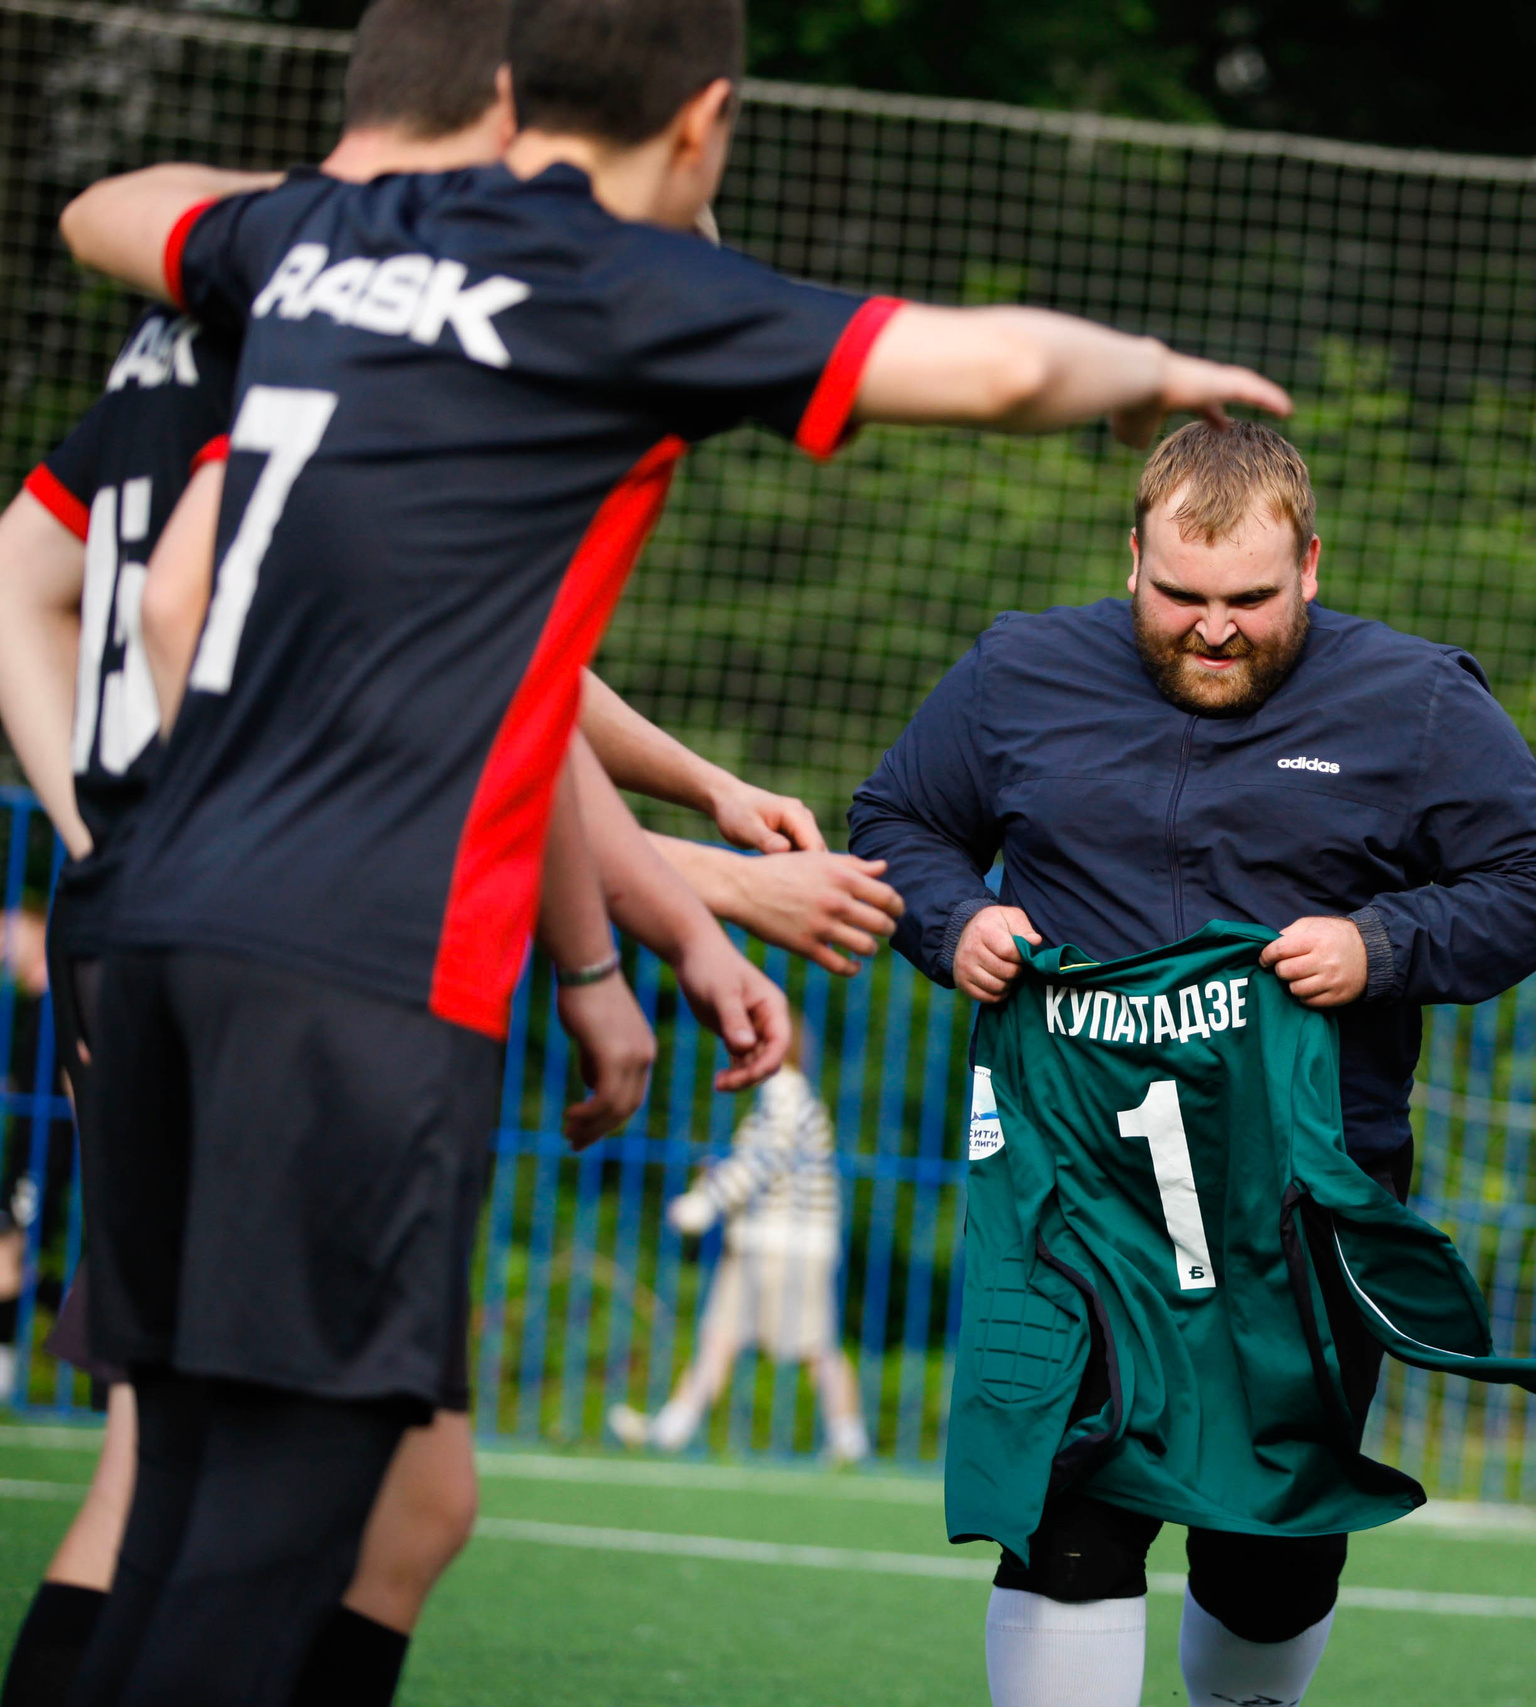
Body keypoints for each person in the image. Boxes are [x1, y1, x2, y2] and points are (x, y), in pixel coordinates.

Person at [50, 0, 1289, 1694]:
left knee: (173, 1483)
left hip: (142, 928)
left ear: (504, 92)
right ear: (702, 122)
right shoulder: (618, 283)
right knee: (283, 1528)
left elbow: (111, 229)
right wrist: (1160, 377)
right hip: (353, 969)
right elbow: (996, 367)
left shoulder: (327, 238)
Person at [0, 9, 888, 1702]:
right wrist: (668, 924)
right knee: (208, 1486)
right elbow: (447, 682)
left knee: (368, 1496)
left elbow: (35, 578)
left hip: (168, 914)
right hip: (306, 946)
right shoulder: (382, 306)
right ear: (510, 116)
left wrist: (97, 832)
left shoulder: (251, 298)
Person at [847, 420, 1536, 1707]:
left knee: (1269, 1551)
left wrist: (1384, 945)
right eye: (1179, 596)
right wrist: (949, 919)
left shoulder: (1413, 700)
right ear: (1131, 556)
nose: (1213, 630)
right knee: (1066, 1512)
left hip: (1292, 1206)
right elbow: (898, 820)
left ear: (1310, 563)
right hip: (1073, 1197)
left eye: (1248, 599)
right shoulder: (1020, 668)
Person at [610, 1024, 871, 1465]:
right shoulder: (783, 1098)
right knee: (719, 1337)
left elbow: (764, 1160)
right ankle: (672, 1429)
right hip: (762, 1243)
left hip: (788, 1247)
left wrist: (705, 1202)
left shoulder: (786, 1096)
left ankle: (848, 1439)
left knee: (815, 1346)